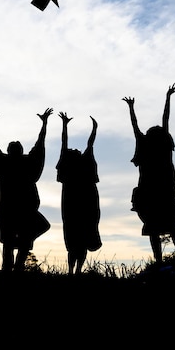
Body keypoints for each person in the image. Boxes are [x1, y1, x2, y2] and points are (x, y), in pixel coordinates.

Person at [122, 83, 175, 266]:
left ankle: (162, 260)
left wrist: (131, 108)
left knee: (157, 229)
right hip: (160, 190)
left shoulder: (149, 144)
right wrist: (167, 97)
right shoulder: (162, 144)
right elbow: (165, 118)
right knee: (169, 227)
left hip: (153, 190)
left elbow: (136, 126)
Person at [0, 106, 52, 273]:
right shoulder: (20, 163)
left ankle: (13, 268)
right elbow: (39, 145)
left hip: (16, 207)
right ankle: (13, 269)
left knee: (16, 239)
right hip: (16, 207)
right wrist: (44, 125)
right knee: (18, 239)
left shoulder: (8, 163)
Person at [56, 112, 102, 275]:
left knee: (78, 240)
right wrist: (65, 126)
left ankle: (76, 270)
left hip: (82, 204)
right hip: (76, 205)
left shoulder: (80, 161)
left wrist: (94, 129)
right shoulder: (70, 163)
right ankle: (73, 270)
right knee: (76, 240)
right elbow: (65, 143)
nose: (75, 149)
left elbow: (90, 143)